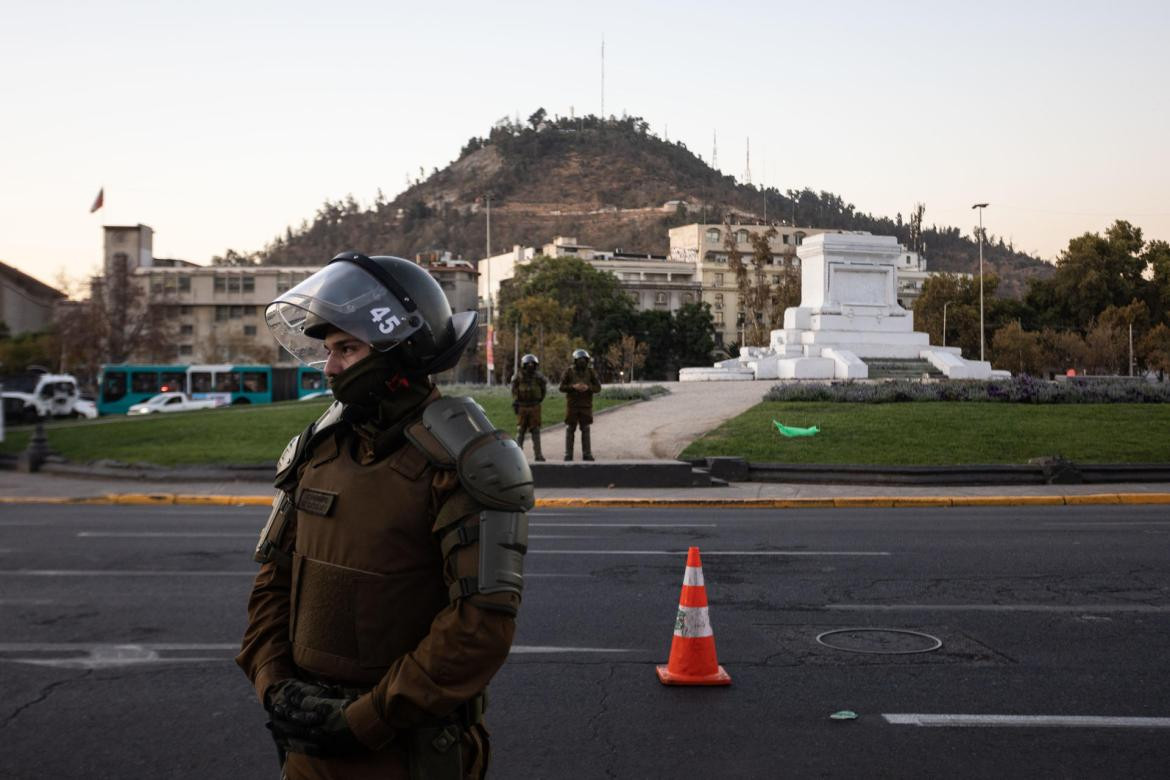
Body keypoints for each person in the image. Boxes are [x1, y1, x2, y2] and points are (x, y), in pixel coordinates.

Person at [237, 251, 533, 780]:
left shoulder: (466, 462)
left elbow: (479, 627)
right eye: (328, 350)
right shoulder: (317, 450)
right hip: (308, 748)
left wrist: (364, 719)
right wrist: (275, 686)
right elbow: (272, 582)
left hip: (409, 754)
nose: (329, 367)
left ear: (402, 350)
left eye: (347, 348)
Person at [558, 348, 601, 461]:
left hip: (586, 405)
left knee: (585, 429)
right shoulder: (569, 372)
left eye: (584, 359)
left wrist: (588, 388)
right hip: (572, 405)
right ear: (575, 360)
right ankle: (568, 454)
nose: (582, 361)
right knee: (570, 429)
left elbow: (598, 388)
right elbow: (561, 387)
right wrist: (573, 387)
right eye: (579, 359)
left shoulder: (591, 372)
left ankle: (587, 453)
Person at [510, 353, 547, 462]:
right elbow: (513, 390)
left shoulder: (539, 377)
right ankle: (517, 455)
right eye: (528, 363)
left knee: (535, 430)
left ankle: (538, 455)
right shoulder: (518, 377)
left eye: (532, 363)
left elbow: (543, 391)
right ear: (524, 365)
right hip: (522, 407)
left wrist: (538, 401)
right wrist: (517, 401)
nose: (530, 365)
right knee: (520, 430)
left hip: (534, 406)